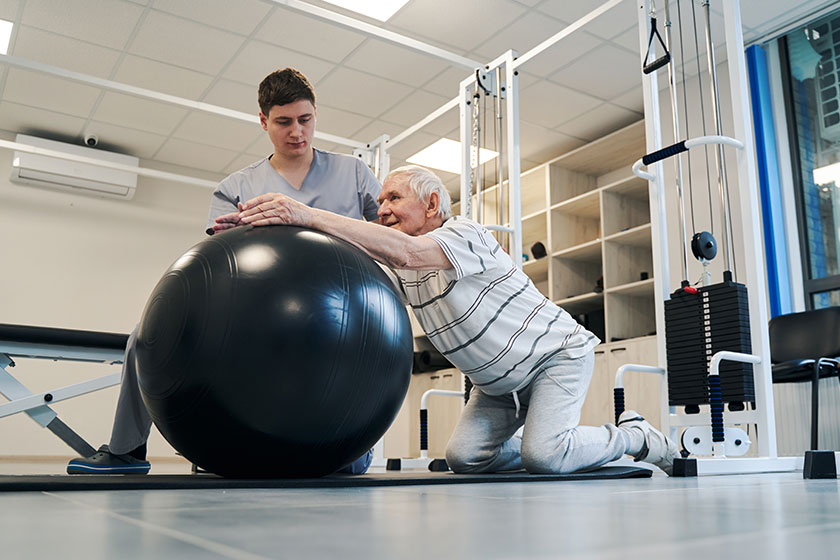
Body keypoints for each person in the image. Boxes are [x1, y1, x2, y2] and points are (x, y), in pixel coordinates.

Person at [215, 164, 681, 476]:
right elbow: (342, 261)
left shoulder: (465, 235)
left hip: (555, 358)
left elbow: (408, 252)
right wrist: (270, 228)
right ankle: (553, 439)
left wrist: (305, 211)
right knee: (464, 459)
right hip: (496, 385)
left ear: (433, 205)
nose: (383, 209)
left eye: (394, 198)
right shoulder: (401, 266)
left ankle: (635, 436)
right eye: (381, 201)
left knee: (545, 457)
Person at [67, 68, 381, 475]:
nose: (297, 133)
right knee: (144, 339)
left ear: (315, 115)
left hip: (340, 312)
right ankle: (129, 450)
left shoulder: (354, 174)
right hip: (259, 308)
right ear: (264, 122)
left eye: (305, 120)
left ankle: (350, 448)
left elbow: (387, 236)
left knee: (344, 441)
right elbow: (218, 254)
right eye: (283, 122)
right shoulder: (236, 186)